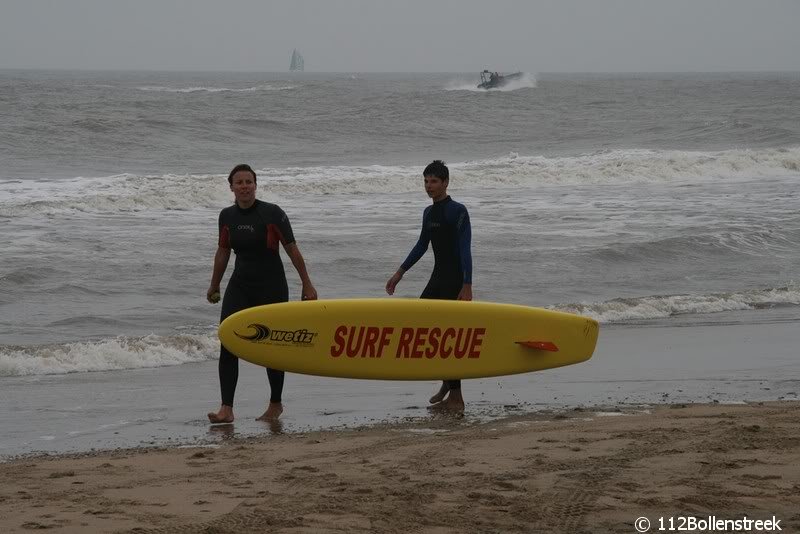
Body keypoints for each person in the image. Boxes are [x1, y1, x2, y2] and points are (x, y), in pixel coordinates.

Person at [207, 163, 317, 424]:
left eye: (249, 182)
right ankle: (226, 408)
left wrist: (307, 284)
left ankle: (275, 403)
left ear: (255, 185)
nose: (244, 186)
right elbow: (223, 252)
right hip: (240, 285)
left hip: (272, 285)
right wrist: (214, 285)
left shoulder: (272, 213)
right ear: (231, 187)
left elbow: (291, 249)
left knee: (272, 346)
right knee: (228, 341)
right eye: (239, 182)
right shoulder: (227, 216)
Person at [385, 160, 473, 412]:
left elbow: (465, 249)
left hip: (455, 279)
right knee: (424, 325)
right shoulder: (429, 213)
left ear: (445, 183)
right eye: (426, 181)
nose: (429, 186)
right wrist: (399, 273)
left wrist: (467, 284)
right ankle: (448, 383)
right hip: (438, 277)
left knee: (448, 335)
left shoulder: (458, 211)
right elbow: (422, 245)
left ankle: (456, 396)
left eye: (434, 181)